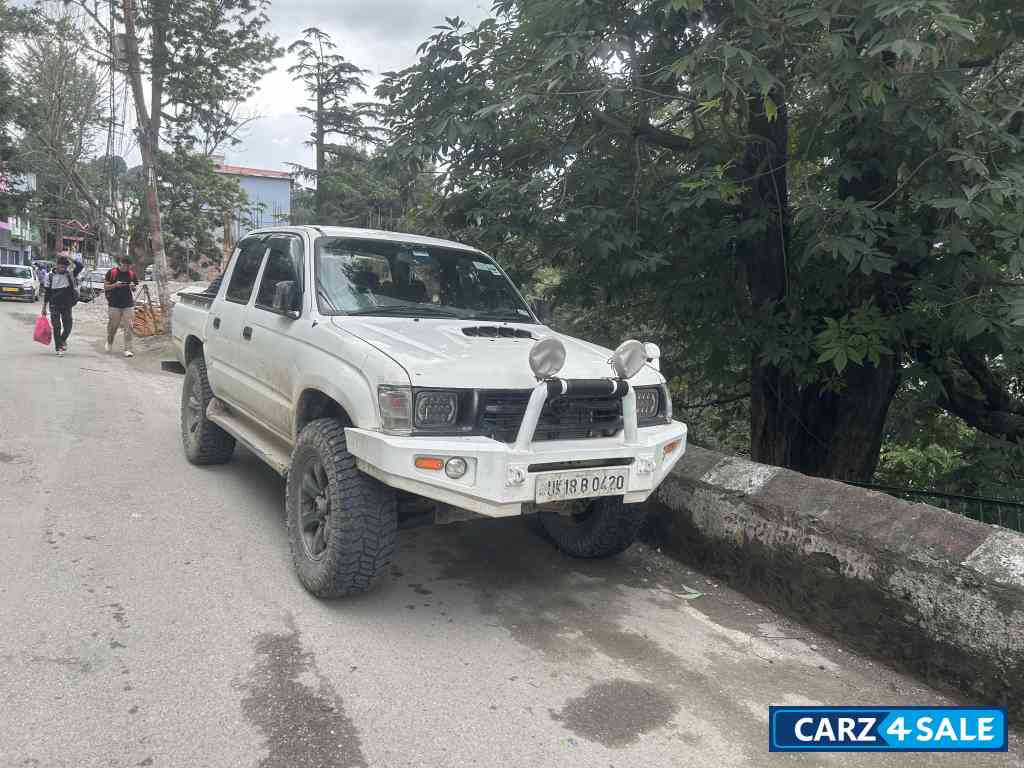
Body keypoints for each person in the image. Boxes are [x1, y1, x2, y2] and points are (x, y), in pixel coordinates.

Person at [41, 256, 83, 357]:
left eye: (65, 267)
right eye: (61, 267)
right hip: (54, 305)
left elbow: (80, 266)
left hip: (67, 305)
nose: (63, 269)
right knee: (56, 326)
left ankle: (62, 340)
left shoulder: (71, 274)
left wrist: (69, 257)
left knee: (68, 326)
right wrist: (44, 307)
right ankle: (58, 348)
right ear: (57, 265)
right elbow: (47, 292)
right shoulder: (49, 276)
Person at [104, 256, 139, 358]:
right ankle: (109, 342)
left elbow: (134, 288)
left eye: (129, 266)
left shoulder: (132, 274)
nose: (127, 268)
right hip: (114, 304)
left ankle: (128, 349)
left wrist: (133, 287)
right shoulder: (112, 273)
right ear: (120, 264)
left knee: (129, 326)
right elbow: (105, 287)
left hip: (128, 304)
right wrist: (115, 285)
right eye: (125, 265)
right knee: (113, 326)